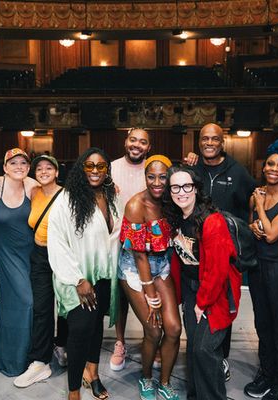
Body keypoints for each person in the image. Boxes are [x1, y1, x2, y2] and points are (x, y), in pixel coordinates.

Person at [47, 147, 123, 400]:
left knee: (95, 327)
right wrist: (78, 279)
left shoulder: (111, 196)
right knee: (80, 332)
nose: (95, 171)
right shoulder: (67, 199)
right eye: (89, 166)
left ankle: (93, 373)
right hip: (78, 279)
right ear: (81, 168)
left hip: (103, 276)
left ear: (107, 170)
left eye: (100, 166)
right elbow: (56, 242)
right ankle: (73, 391)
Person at [163, 166, 242, 400]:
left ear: (196, 188)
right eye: (175, 187)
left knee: (204, 350)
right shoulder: (177, 217)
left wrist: (202, 303)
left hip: (213, 293)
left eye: (187, 186)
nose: (181, 192)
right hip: (190, 290)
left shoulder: (212, 222)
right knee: (195, 351)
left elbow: (217, 271)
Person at [186, 122, 255, 379]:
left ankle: (221, 358)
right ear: (199, 141)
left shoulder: (237, 171)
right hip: (196, 252)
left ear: (222, 142)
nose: (210, 143)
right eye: (205, 138)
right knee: (196, 306)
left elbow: (254, 197)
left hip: (225, 253)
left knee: (222, 307)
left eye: (215, 139)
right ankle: (200, 354)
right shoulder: (193, 167)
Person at [118, 155, 181, 400]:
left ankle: (165, 382)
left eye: (162, 176)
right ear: (145, 177)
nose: (156, 182)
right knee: (154, 331)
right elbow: (139, 256)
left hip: (161, 265)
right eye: (151, 176)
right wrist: (150, 293)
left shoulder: (171, 200)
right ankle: (146, 378)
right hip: (135, 269)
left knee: (174, 329)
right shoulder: (136, 205)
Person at [245, 138, 278, 400]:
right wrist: (253, 224)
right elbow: (253, 226)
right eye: (270, 163)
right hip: (258, 269)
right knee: (262, 324)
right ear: (264, 166)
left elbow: (273, 234)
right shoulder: (258, 193)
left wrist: (260, 208)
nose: (274, 168)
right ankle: (266, 373)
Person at [13, 154, 68, 388]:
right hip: (39, 255)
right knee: (42, 307)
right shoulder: (34, 192)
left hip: (62, 254)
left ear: (57, 172)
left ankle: (63, 344)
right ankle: (40, 361)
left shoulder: (67, 195)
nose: (44, 171)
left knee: (66, 305)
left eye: (49, 167)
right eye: (39, 168)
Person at [0, 148, 38, 377]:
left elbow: (59, 194)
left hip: (32, 254)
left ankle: (24, 354)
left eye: (23, 163)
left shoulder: (33, 186)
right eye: (13, 163)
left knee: (28, 305)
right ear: (5, 167)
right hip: (6, 254)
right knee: (24, 302)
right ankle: (14, 359)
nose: (18, 166)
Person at [109, 127, 152, 371]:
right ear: (126, 141)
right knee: (121, 296)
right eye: (133, 139)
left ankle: (152, 340)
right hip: (118, 242)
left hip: (148, 244)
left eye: (143, 142)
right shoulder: (111, 168)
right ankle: (120, 342)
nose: (137, 145)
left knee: (150, 293)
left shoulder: (154, 168)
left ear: (149, 146)